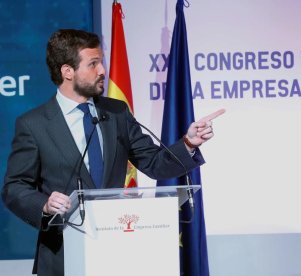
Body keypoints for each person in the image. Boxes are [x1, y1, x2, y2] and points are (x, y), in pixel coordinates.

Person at [1, 29, 224, 276]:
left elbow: (154, 163)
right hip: (62, 256)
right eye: (93, 64)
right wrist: (44, 204)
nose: (102, 71)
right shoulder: (34, 124)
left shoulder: (116, 112)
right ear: (67, 71)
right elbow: (15, 187)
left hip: (117, 253)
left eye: (102, 62)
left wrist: (189, 143)